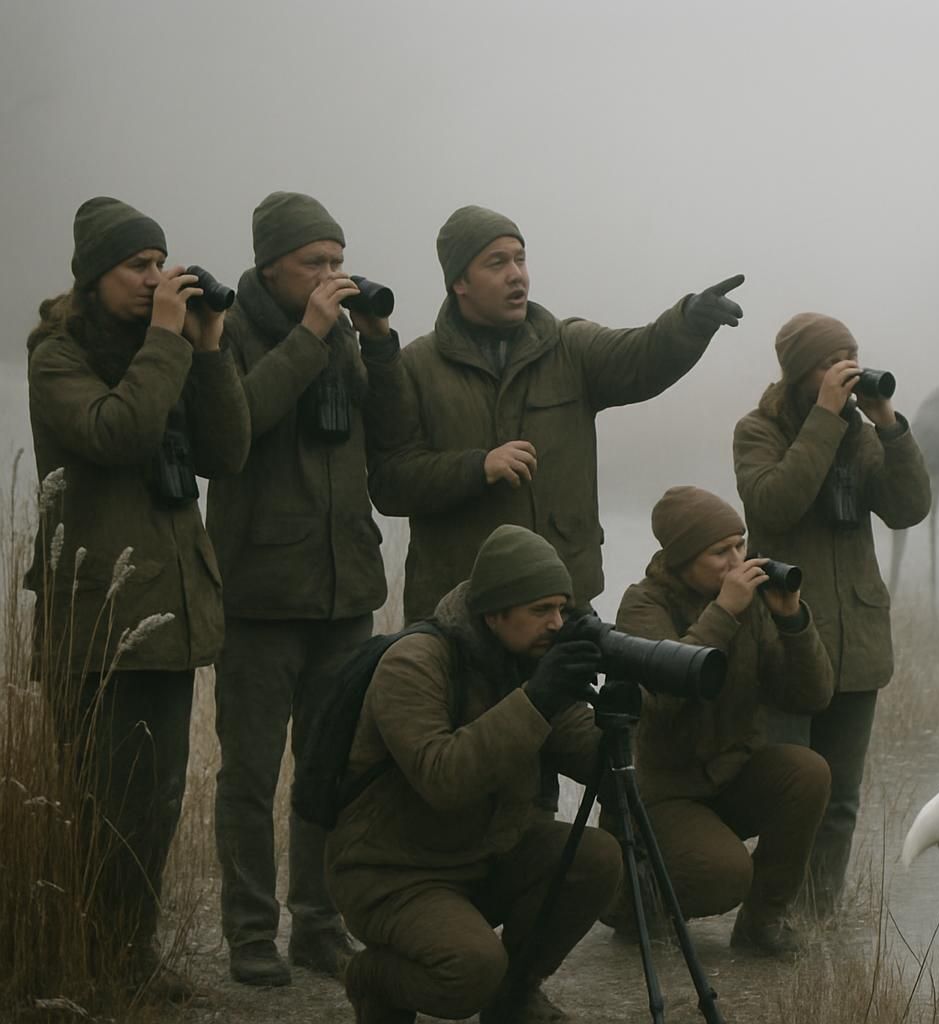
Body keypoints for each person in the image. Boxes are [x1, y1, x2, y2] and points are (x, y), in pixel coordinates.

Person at [25, 196, 251, 999]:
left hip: (170, 607)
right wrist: (165, 338)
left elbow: (226, 453)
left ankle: (130, 956)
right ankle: (92, 963)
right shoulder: (58, 355)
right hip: (99, 618)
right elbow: (116, 434)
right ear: (94, 276)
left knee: (153, 804)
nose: (157, 278)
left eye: (161, 263)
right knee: (103, 805)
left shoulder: (168, 351)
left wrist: (211, 346)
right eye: (138, 267)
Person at [366, 204, 747, 622]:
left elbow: (642, 356)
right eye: (497, 263)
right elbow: (392, 483)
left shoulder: (569, 347)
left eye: (520, 259)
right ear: (460, 281)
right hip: (464, 612)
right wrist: (478, 468)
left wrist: (688, 322)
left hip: (563, 603)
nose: (516, 274)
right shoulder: (417, 367)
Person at [205, 192, 395, 986]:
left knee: (328, 769)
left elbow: (388, 431)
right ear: (268, 265)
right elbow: (232, 432)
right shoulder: (225, 332)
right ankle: (251, 932)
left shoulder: (345, 331)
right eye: (314, 263)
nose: (331, 277)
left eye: (338, 262)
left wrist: (378, 346)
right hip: (258, 593)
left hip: (343, 588)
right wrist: (313, 335)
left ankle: (319, 924)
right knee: (249, 774)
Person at [326, 525, 621, 1024]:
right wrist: (537, 699)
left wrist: (624, 704)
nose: (556, 623)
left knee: (596, 857)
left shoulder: (528, 660)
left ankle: (516, 996)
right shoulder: (415, 663)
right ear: (494, 612)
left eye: (562, 609)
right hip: (395, 873)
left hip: (482, 855)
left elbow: (596, 761)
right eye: (540, 611)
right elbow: (443, 777)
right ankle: (373, 977)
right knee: (469, 972)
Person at [732, 312, 931, 916]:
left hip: (858, 640)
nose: (845, 370)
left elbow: (908, 508)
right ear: (799, 373)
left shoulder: (861, 433)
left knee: (841, 799)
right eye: (829, 360)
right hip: (790, 641)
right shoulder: (757, 431)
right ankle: (771, 918)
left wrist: (890, 426)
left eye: (851, 355)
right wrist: (822, 419)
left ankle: (818, 918)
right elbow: (776, 503)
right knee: (790, 796)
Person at [611, 486, 832, 955]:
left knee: (807, 772)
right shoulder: (642, 606)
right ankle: (627, 899)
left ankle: (763, 923)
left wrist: (793, 621)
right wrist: (724, 613)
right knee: (724, 874)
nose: (738, 560)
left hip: (729, 773)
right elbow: (663, 700)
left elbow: (810, 695)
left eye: (740, 544)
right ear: (682, 558)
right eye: (720, 552)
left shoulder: (750, 604)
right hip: (664, 791)